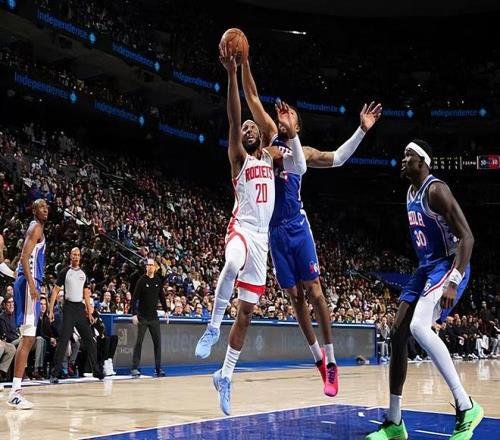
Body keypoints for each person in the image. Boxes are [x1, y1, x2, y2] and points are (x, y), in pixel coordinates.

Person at [197, 46, 381, 397]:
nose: (284, 116)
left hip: (296, 225)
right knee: (295, 299)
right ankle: (317, 360)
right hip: (271, 232)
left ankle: (331, 363)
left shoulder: (302, 152)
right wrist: (245, 61)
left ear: (297, 124)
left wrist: (361, 129)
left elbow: (338, 159)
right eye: (283, 113)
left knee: (315, 292)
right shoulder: (267, 138)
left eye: (291, 115)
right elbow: (251, 96)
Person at [195, 42, 306, 416]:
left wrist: (290, 131)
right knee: (230, 263)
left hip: (263, 240)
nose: (247, 127)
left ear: (260, 134)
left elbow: (297, 159)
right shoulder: (238, 158)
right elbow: (234, 114)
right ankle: (212, 326)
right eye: (244, 127)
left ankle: (224, 375)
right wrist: (230, 74)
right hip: (241, 227)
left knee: (246, 313)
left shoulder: (273, 155)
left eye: (251, 125)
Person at [367, 140, 483, 439]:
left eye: (408, 155)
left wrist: (454, 279)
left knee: (418, 326)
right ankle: (395, 422)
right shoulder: (410, 193)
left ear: (422, 162)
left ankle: (466, 405)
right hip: (426, 268)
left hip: (449, 264)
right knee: (397, 333)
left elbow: (467, 237)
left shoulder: (436, 190)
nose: (403, 159)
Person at [7, 199, 47, 410]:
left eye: (47, 207)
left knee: (28, 338)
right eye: (41, 207)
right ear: (34, 210)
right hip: (29, 284)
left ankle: (16, 390)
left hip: (29, 281)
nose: (45, 210)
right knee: (28, 338)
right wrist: (32, 285)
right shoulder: (36, 227)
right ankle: (15, 392)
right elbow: (24, 256)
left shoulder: (37, 228)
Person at [48, 247, 103, 383]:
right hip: (68, 308)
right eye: (74, 254)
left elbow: (86, 293)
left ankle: (96, 370)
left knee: (90, 340)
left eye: (78, 255)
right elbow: (55, 291)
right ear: (70, 256)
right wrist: (50, 310)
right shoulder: (65, 272)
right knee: (64, 340)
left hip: (80, 308)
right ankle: (54, 373)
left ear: (80, 257)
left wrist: (89, 311)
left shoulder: (83, 273)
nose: (76, 257)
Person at [130, 258, 169, 377]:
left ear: (155, 267)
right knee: (139, 342)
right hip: (142, 317)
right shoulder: (142, 280)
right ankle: (134, 368)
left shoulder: (157, 280)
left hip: (154, 317)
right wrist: (134, 314)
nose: (151, 267)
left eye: (152, 265)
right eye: (149, 265)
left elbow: (161, 296)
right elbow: (134, 298)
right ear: (146, 267)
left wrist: (166, 310)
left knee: (157, 343)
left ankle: (158, 369)